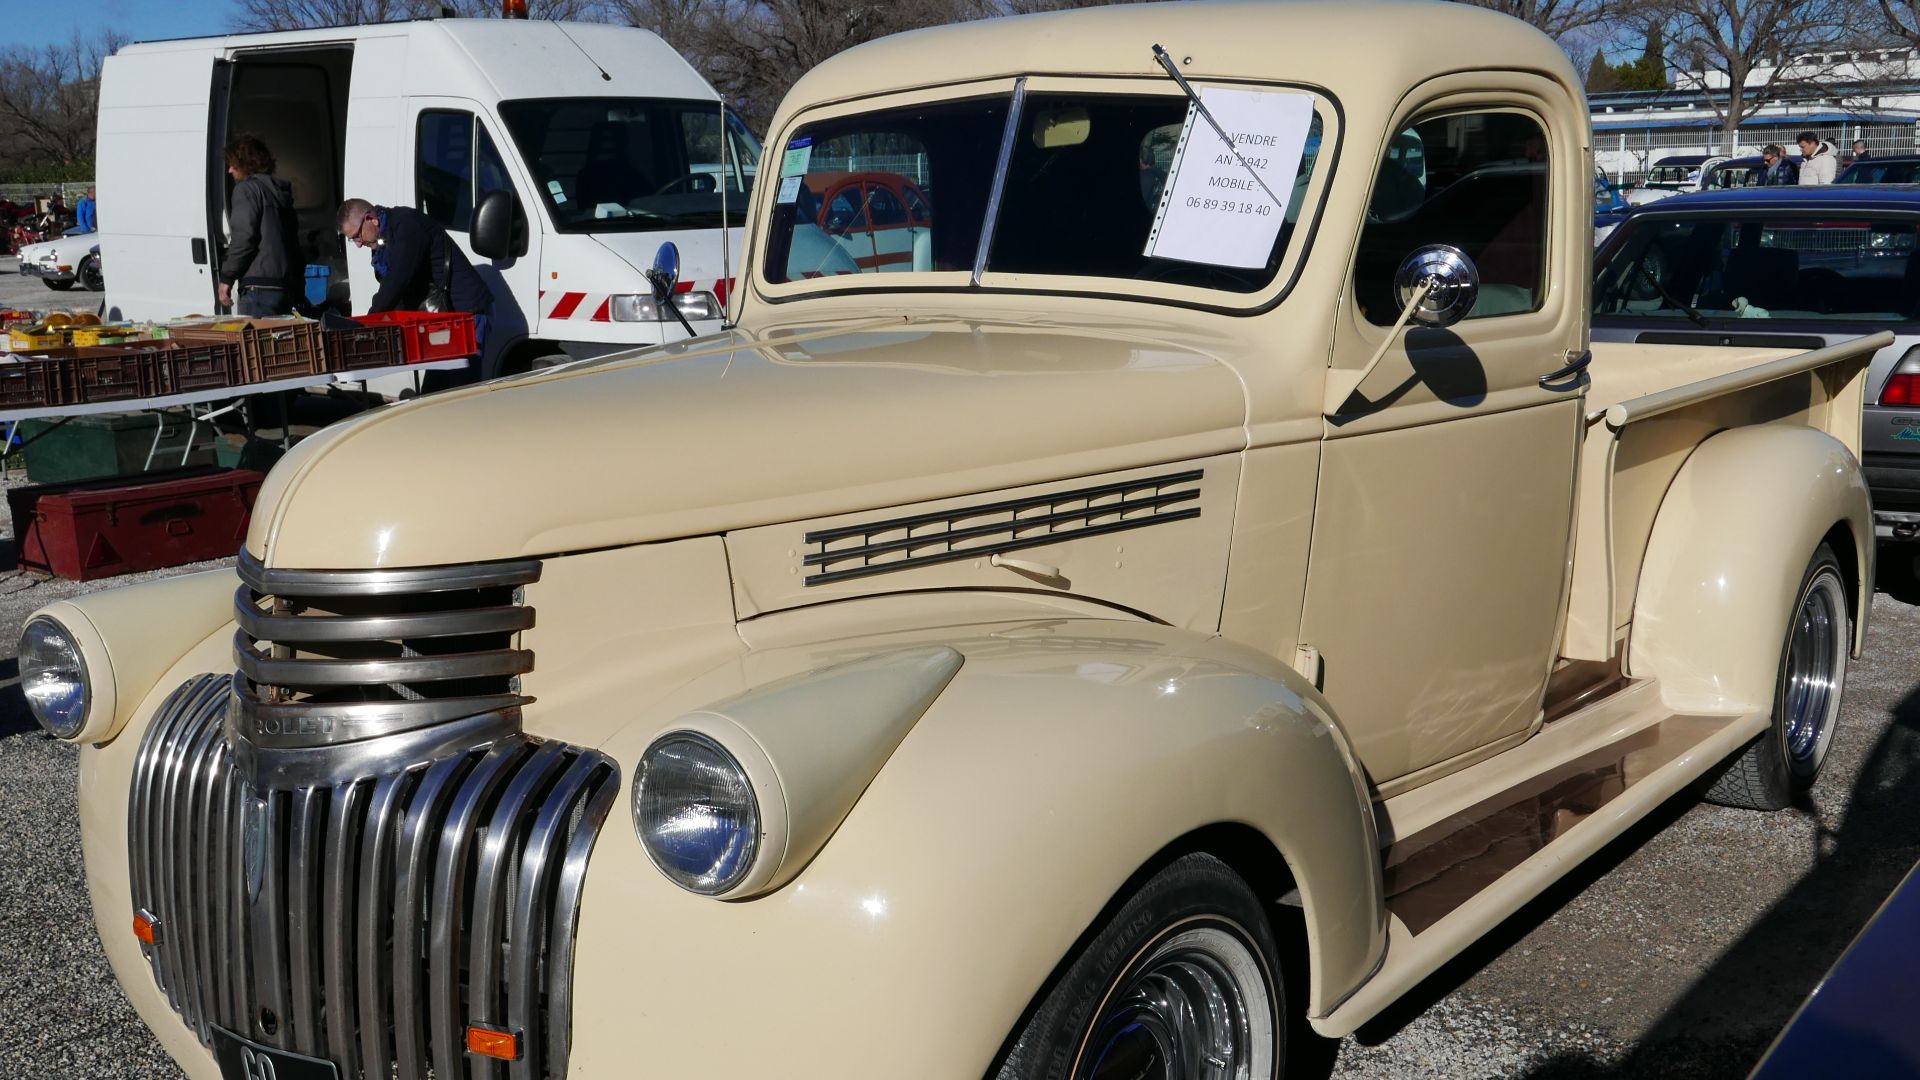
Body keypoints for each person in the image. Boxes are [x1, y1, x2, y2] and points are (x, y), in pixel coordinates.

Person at [336, 197, 493, 346]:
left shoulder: (406, 224)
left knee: (463, 374)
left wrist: (367, 322)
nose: (358, 244)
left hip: (465, 312)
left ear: (371, 219)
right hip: (441, 318)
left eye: (357, 236)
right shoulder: (381, 239)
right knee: (439, 374)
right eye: (353, 240)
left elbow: (397, 280)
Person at [218, 134, 301, 316]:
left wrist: (227, 278)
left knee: (254, 342)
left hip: (258, 288)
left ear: (246, 164)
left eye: (233, 164)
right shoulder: (280, 193)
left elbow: (244, 238)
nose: (229, 170)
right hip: (283, 285)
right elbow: (293, 241)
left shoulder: (246, 190)